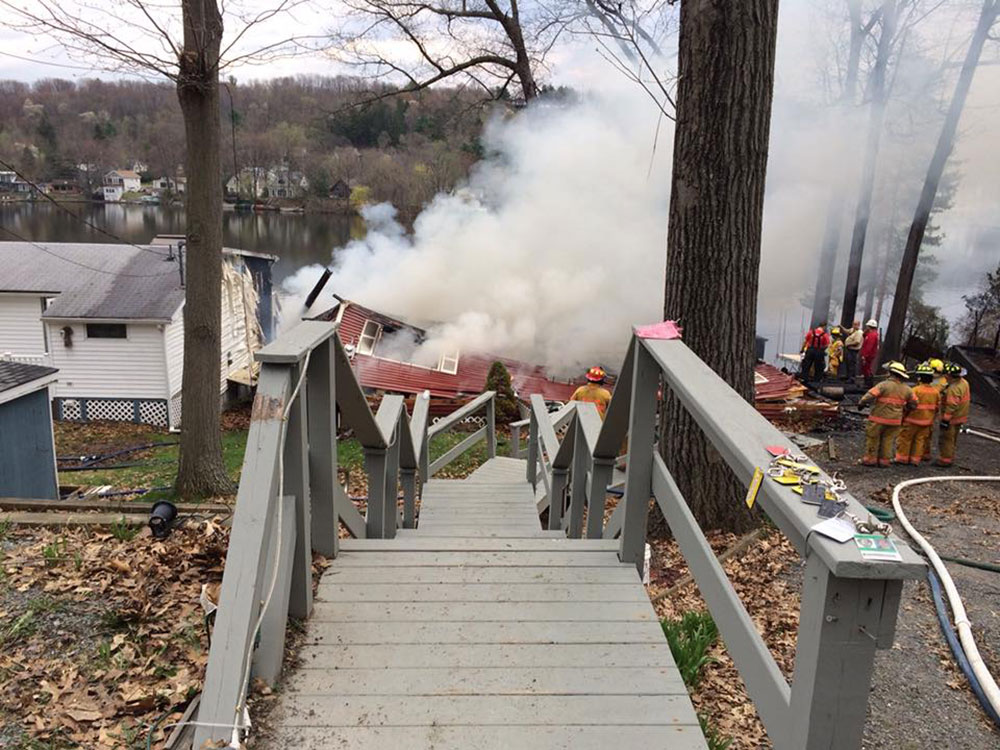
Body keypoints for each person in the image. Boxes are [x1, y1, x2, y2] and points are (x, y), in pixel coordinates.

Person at [858, 361, 916, 467]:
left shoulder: (883, 385)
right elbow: (914, 403)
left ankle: (870, 460)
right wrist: (906, 409)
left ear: (891, 373)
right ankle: (884, 461)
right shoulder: (907, 389)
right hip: (895, 420)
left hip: (878, 419)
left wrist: (861, 403)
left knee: (873, 438)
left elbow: (869, 396)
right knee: (888, 440)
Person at [894, 364, 940, 466]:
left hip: (912, 420)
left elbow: (908, 404)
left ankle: (902, 458)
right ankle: (915, 460)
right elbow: (937, 407)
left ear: (919, 377)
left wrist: (903, 416)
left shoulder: (915, 390)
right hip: (927, 422)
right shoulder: (936, 392)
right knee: (920, 441)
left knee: (905, 439)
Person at [937, 362, 971, 467]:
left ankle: (945, 460)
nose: (944, 376)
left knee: (946, 439)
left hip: (951, 418)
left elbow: (952, 405)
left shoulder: (954, 389)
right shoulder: (964, 382)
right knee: (953, 439)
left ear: (949, 375)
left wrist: (945, 420)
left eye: (946, 375)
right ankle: (950, 457)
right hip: (960, 416)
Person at [860, 319, 880, 387]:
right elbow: (864, 335)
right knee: (866, 368)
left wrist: (864, 356)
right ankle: (868, 383)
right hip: (869, 355)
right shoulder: (871, 334)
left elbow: (869, 346)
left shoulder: (872, 335)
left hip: (868, 355)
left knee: (866, 368)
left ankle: (868, 383)